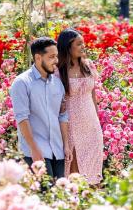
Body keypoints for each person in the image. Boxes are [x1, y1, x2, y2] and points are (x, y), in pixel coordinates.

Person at [9, 37, 70, 182]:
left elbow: (62, 116)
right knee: (44, 194)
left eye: (56, 56)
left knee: (59, 196)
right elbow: (22, 118)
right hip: (36, 151)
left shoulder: (58, 84)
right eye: (51, 57)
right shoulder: (22, 83)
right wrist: (34, 149)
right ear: (38, 57)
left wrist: (66, 146)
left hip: (58, 150)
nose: (56, 61)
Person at [56, 28, 104, 184]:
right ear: (68, 47)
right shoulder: (58, 71)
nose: (83, 46)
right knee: (75, 173)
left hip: (91, 126)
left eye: (83, 43)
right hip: (72, 127)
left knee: (93, 172)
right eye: (79, 44)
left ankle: (92, 206)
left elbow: (93, 96)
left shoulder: (88, 65)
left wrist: (97, 122)